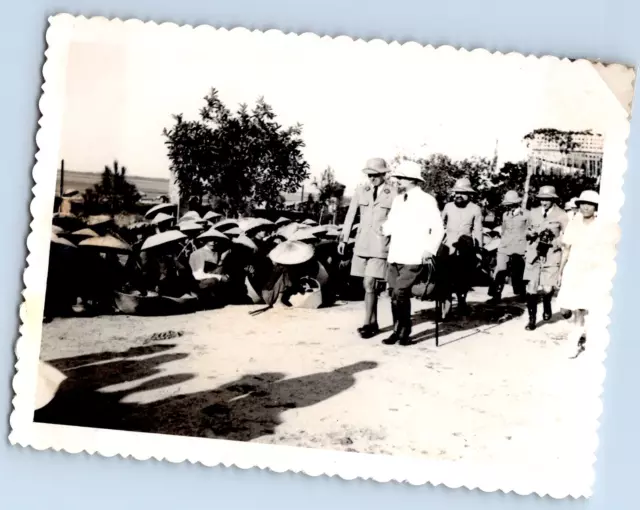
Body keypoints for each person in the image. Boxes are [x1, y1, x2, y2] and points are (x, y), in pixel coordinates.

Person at [381, 160, 445, 346]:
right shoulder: (398, 200)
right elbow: (391, 223)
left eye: (401, 177)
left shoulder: (427, 200)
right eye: (398, 177)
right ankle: (397, 331)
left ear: (412, 179)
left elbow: (438, 229)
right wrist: (381, 229)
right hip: (396, 253)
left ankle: (405, 331)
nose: (398, 181)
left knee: (400, 293)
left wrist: (430, 249)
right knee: (394, 293)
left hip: (414, 255)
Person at [338, 157, 396, 338]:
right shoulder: (361, 191)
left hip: (380, 245)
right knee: (367, 285)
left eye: (375, 175)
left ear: (383, 174)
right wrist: (344, 239)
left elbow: (397, 221)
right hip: (362, 244)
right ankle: (373, 321)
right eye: (369, 175)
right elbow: (350, 215)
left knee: (369, 283)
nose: (371, 178)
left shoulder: (394, 193)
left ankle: (367, 324)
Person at [557, 191, 619, 355]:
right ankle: (579, 335)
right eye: (583, 203)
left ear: (596, 207)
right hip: (574, 270)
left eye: (590, 204)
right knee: (570, 307)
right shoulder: (573, 224)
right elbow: (566, 249)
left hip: (594, 271)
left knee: (586, 307)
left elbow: (610, 250)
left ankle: (578, 341)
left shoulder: (602, 226)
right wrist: (560, 271)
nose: (585, 207)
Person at [522, 185, 569, 330]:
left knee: (548, 288)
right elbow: (526, 230)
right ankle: (532, 320)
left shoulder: (562, 215)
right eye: (542, 199)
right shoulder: (533, 213)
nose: (544, 202)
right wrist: (530, 234)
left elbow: (567, 237)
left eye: (547, 199)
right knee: (531, 288)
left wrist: (553, 242)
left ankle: (547, 302)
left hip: (551, 255)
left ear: (553, 199)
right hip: (533, 255)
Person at [441, 177, 483, 316]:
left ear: (469, 194)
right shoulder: (448, 206)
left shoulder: (475, 209)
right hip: (448, 248)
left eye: (462, 192)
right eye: (457, 192)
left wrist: (478, 252)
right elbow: (440, 225)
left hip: (466, 248)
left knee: (462, 278)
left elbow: (478, 231)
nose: (458, 195)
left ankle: (461, 302)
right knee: (446, 277)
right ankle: (446, 308)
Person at [488, 190, 528, 303]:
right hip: (505, 247)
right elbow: (504, 230)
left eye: (511, 205)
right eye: (507, 205)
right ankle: (496, 295)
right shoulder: (505, 215)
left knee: (519, 272)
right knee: (500, 270)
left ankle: (522, 293)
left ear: (517, 204)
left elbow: (529, 230)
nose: (509, 207)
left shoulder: (526, 214)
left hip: (519, 247)